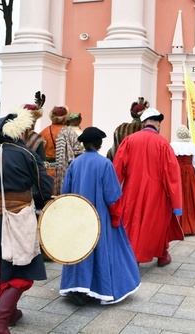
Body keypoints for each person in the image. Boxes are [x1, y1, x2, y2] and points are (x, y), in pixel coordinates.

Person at [0, 109, 54, 333]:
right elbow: (45, 189)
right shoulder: (27, 154)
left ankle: (10, 313)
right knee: (22, 270)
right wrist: (36, 202)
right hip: (20, 218)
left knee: (3, 268)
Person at [59, 126, 141, 305]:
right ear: (99, 144)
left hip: (79, 216)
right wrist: (115, 217)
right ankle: (99, 288)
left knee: (79, 251)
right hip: (99, 216)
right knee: (101, 251)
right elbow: (112, 196)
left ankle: (77, 288)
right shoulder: (105, 164)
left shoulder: (75, 163)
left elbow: (65, 193)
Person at [112, 108, 184, 267]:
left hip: (132, 191)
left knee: (132, 223)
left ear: (144, 123)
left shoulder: (129, 140)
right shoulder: (163, 143)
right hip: (157, 193)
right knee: (158, 224)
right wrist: (176, 202)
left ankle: (134, 256)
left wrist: (112, 193)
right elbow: (172, 175)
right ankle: (161, 255)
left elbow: (117, 168)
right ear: (158, 124)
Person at [169, 125, 195, 236]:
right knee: (190, 197)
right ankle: (191, 225)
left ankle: (176, 226)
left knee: (176, 197)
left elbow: (170, 162)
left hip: (176, 173)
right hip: (189, 174)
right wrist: (193, 175)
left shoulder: (172, 146)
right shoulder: (192, 146)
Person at [53, 113, 84, 195]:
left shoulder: (61, 132)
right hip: (74, 167)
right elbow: (79, 153)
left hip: (60, 169)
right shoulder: (80, 134)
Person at [39, 105, 69, 178]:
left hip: (47, 171)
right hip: (65, 172)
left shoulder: (43, 133)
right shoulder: (70, 132)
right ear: (65, 117)